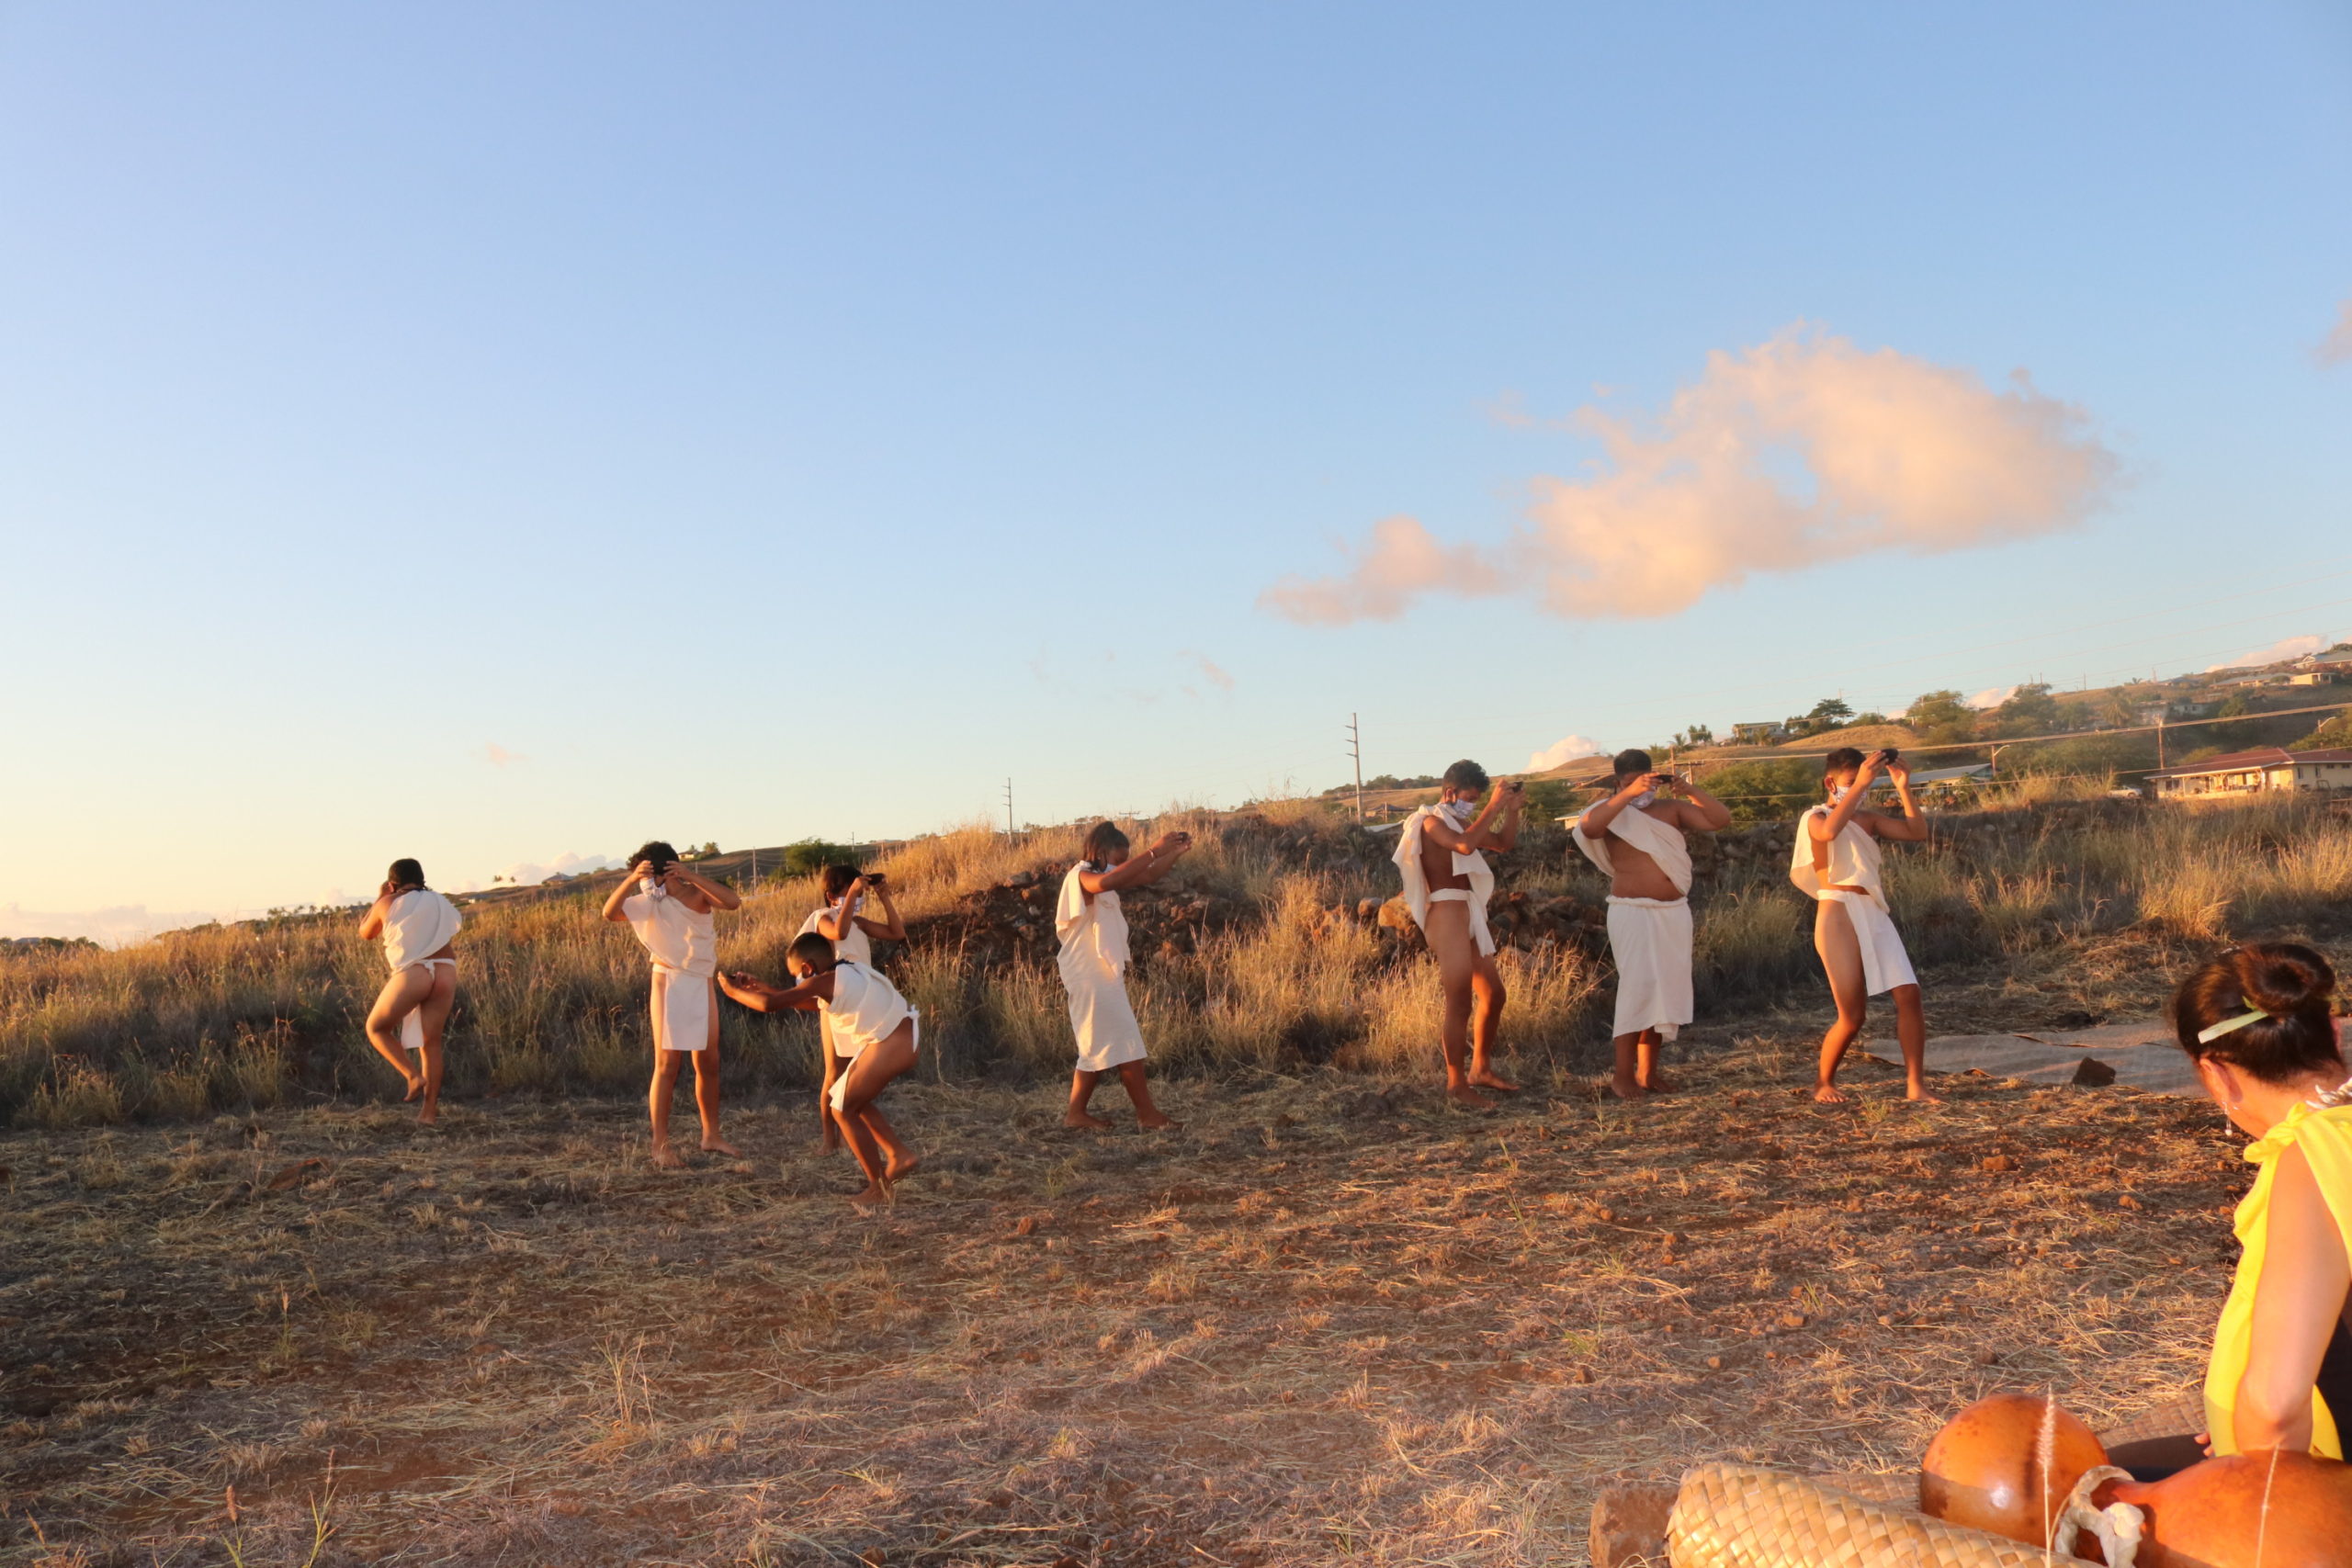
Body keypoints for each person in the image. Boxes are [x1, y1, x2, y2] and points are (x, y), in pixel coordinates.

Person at [2102, 942, 2352, 1479]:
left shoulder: (2312, 1158)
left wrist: (2245, 1477)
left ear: (2217, 1075)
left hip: (2322, 1488)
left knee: (2078, 1487)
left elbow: (2277, 1410)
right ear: (2334, 1033)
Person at [720, 932, 922, 1209]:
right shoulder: (845, 971)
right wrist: (761, 987)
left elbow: (770, 1006)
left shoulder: (824, 981)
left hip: (891, 1043)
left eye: (796, 975)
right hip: (901, 1037)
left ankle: (878, 1186)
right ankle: (899, 1155)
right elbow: (808, 1002)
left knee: (842, 1109)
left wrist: (733, 992)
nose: (798, 981)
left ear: (807, 968)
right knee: (846, 1095)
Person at [1573, 750, 1731, 1100]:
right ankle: (1621, 1076)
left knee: (1666, 990)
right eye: (1632, 782)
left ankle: (1648, 1073)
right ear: (1618, 782)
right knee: (1638, 988)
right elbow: (1589, 828)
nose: (1642, 789)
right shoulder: (1610, 811)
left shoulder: (1671, 809)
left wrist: (1688, 789)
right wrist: (1628, 794)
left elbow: (1720, 819)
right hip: (1633, 912)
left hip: (1673, 911)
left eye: (1646, 781)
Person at [1789, 747, 1938, 1104]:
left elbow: (1917, 832)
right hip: (1837, 911)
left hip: (1872, 909)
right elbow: (1828, 833)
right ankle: (1823, 1082)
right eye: (1852, 781)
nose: (1863, 787)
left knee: (1909, 995)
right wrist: (1859, 787)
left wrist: (1903, 787)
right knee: (1853, 1016)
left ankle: (1915, 1085)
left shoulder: (1867, 819)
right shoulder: (1816, 816)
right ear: (1830, 783)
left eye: (1866, 781)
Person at [600, 840, 744, 1168]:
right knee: (667, 1064)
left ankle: (711, 1135)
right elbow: (609, 913)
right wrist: (630, 880)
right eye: (640, 878)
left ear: (668, 872)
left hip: (700, 979)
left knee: (708, 1061)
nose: (644, 884)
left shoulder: (697, 894)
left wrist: (689, 875)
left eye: (648, 876)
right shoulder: (647, 903)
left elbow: (733, 902)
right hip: (667, 980)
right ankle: (660, 1145)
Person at [1392, 761, 1524, 1109]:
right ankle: (1456, 1083)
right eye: (1470, 798)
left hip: (1468, 910)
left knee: (1494, 994)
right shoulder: (1431, 822)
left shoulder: (1460, 822)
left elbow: (1503, 843)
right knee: (1460, 1000)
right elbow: (1464, 847)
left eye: (1478, 800)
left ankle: (1481, 1069)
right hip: (1446, 911)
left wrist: (1511, 811)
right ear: (1450, 792)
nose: (1472, 806)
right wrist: (1493, 807)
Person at [1057, 821, 1192, 1131]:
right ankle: (1147, 1114)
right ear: (1102, 851)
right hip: (1089, 975)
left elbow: (1147, 875)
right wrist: (1154, 850)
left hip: (1100, 974)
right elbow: (1110, 880)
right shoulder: (1081, 876)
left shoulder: (1103, 876)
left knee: (1099, 1042)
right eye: (1119, 859)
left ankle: (1076, 1115)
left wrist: (1174, 853)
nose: (1121, 866)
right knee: (1125, 1041)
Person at [796, 864, 909, 1156]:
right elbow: (839, 931)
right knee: (834, 1073)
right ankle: (828, 1140)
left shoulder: (858, 922)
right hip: (836, 1003)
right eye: (851, 891)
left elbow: (897, 932)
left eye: (860, 893)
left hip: (862, 1002)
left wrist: (884, 897)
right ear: (832, 895)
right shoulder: (822, 918)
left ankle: (849, 1133)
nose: (858, 898)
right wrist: (852, 896)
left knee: (856, 1072)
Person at [356, 858, 461, 1124]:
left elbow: (365, 932)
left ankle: (412, 1075)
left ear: (392, 884)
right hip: (446, 970)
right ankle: (429, 1113)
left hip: (415, 973)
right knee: (431, 1043)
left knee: (376, 1029)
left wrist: (380, 897)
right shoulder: (440, 901)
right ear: (421, 879)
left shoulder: (388, 901)